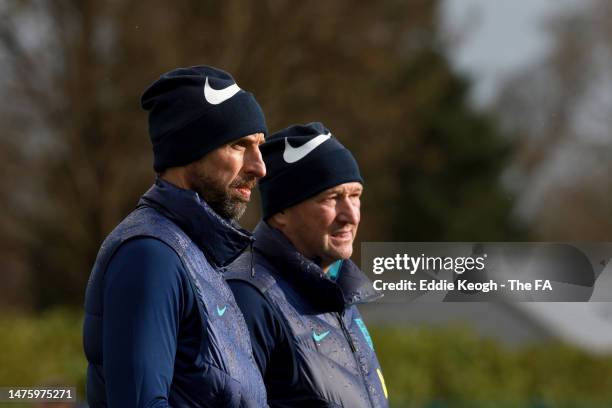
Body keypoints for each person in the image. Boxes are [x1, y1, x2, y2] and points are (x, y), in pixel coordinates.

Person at [83, 66, 269, 407]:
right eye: (240, 145)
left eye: (259, 146)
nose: (260, 167)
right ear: (189, 149)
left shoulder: (198, 253)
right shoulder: (151, 255)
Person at [226, 122, 389, 407]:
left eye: (355, 196)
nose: (350, 215)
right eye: (332, 198)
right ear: (282, 213)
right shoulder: (248, 298)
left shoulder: (340, 294)